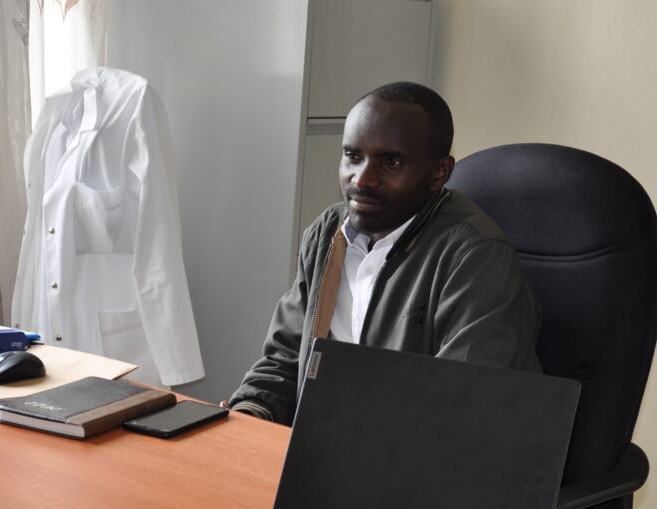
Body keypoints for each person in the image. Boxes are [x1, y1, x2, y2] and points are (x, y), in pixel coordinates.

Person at [225, 82, 540, 424]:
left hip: (419, 459)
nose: (362, 179)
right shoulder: (327, 234)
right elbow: (286, 357)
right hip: (328, 446)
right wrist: (250, 416)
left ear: (440, 172)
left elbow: (460, 404)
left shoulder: (475, 256)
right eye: (353, 156)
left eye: (391, 162)